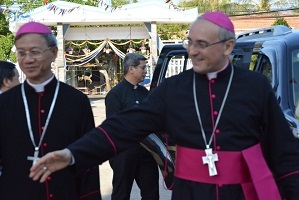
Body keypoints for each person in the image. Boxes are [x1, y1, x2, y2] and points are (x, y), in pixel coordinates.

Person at [30, 12, 299, 200]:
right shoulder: (173, 88)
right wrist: (72, 153)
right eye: (190, 42)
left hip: (243, 192)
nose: (192, 51)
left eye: (202, 44)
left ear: (229, 46)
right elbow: (124, 126)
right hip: (190, 192)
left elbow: (283, 152)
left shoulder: (255, 86)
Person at [0, 21, 101, 199]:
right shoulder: (5, 102)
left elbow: (88, 159)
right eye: (21, 53)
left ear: (54, 53)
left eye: (35, 52)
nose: (28, 59)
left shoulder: (77, 101)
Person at [105, 53, 159, 200]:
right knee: (121, 195)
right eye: (143, 67)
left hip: (147, 153)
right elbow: (114, 127)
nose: (146, 71)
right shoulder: (115, 95)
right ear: (131, 69)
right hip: (124, 153)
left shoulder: (144, 93)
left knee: (152, 194)